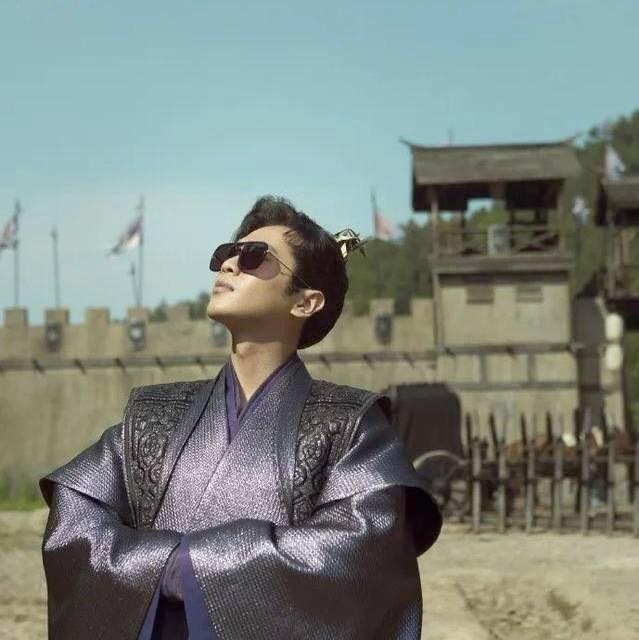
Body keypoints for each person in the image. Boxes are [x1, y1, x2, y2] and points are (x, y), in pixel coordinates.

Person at [40, 196, 442, 639]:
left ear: (306, 302)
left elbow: (363, 551)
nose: (229, 265)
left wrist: (188, 566)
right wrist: (167, 568)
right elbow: (77, 513)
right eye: (226, 254)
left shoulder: (350, 424)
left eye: (254, 257)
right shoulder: (153, 414)